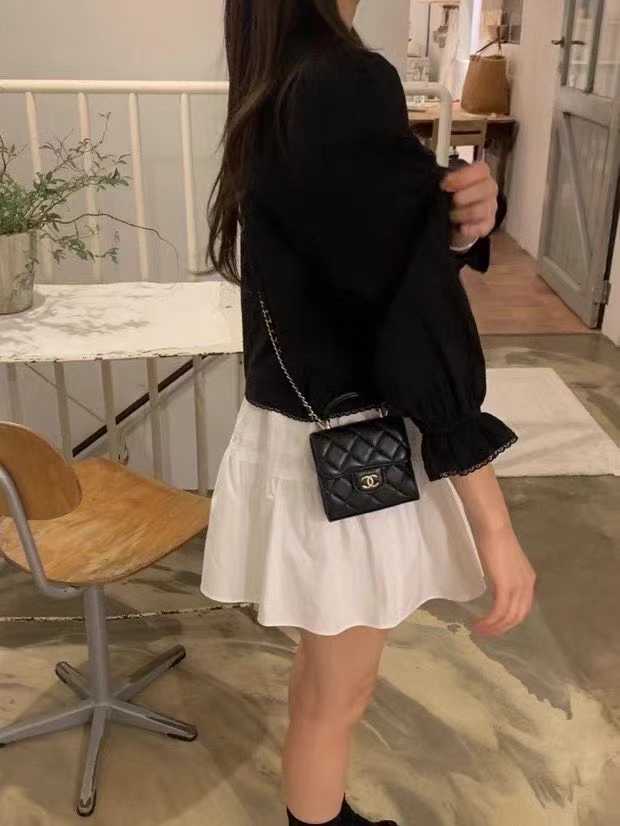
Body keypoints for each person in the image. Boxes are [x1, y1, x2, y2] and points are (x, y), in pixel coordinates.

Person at [202, 2, 536, 824]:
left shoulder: (281, 72)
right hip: (350, 455)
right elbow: (413, 314)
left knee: (326, 684)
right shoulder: (341, 79)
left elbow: (364, 256)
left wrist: (453, 219)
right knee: (339, 697)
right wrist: (493, 524)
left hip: (304, 434)